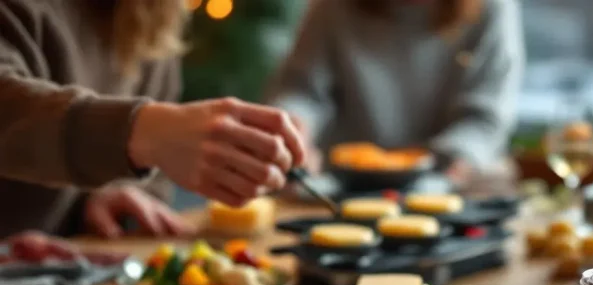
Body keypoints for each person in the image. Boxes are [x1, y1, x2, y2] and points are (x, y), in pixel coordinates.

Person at [0, 0, 304, 239]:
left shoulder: (154, 11)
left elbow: (154, 174)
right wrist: (141, 131)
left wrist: (100, 196)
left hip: (73, 271)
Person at [267, 0, 524, 183]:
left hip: (446, 186)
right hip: (342, 183)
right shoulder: (333, 7)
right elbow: (300, 89)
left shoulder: (491, 8)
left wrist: (457, 159)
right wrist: (295, 132)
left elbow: (484, 119)